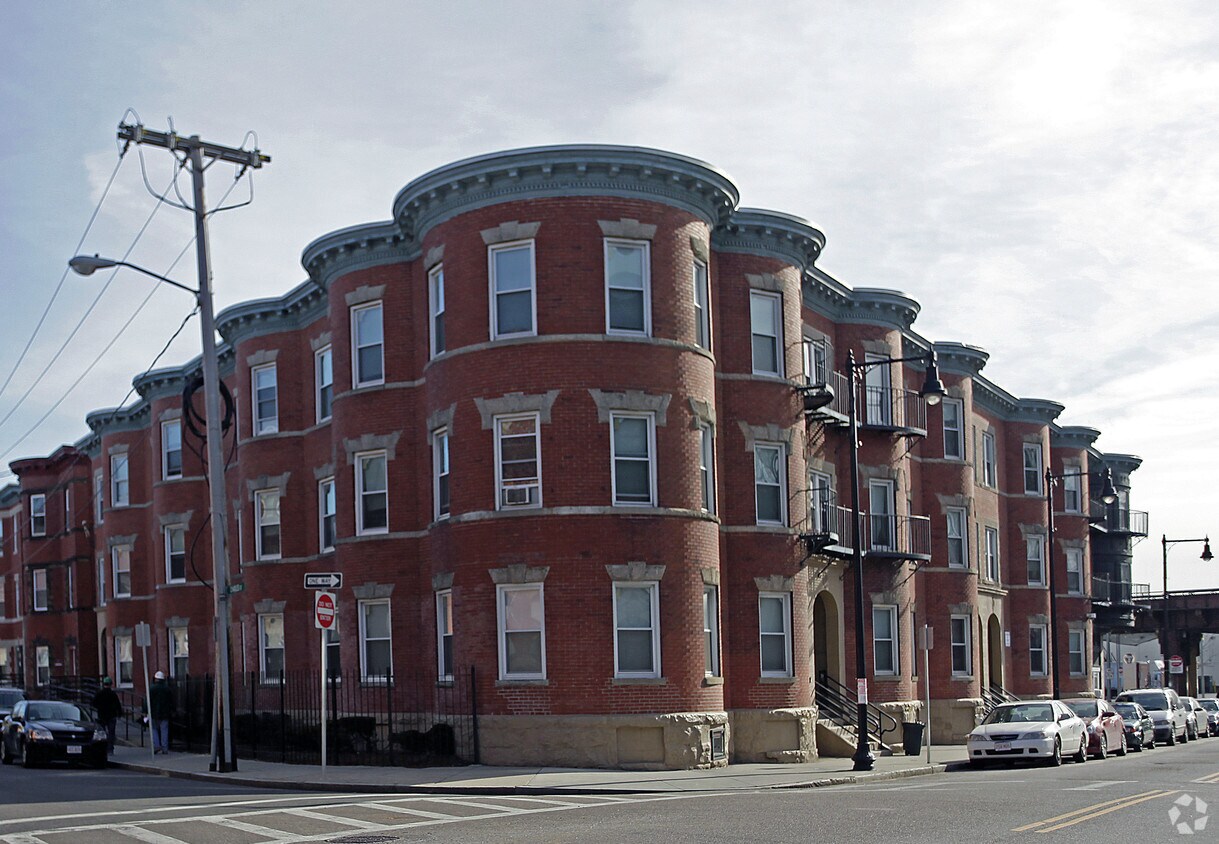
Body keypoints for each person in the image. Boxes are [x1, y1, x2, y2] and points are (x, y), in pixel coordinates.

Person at [91, 676, 123, 754]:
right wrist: (119, 713)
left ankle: (103, 748)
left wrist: (99, 707)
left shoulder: (99, 693)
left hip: (102, 715)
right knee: (111, 733)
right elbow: (117, 704)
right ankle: (110, 748)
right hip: (111, 715)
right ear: (111, 684)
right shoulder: (113, 694)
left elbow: (93, 703)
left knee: (102, 733)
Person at [148, 671, 172, 754]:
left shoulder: (151, 689)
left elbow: (147, 701)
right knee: (164, 730)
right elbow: (171, 701)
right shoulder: (167, 689)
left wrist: (145, 711)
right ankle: (165, 748)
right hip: (165, 713)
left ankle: (156, 745)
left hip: (154, 713)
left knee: (154, 729)